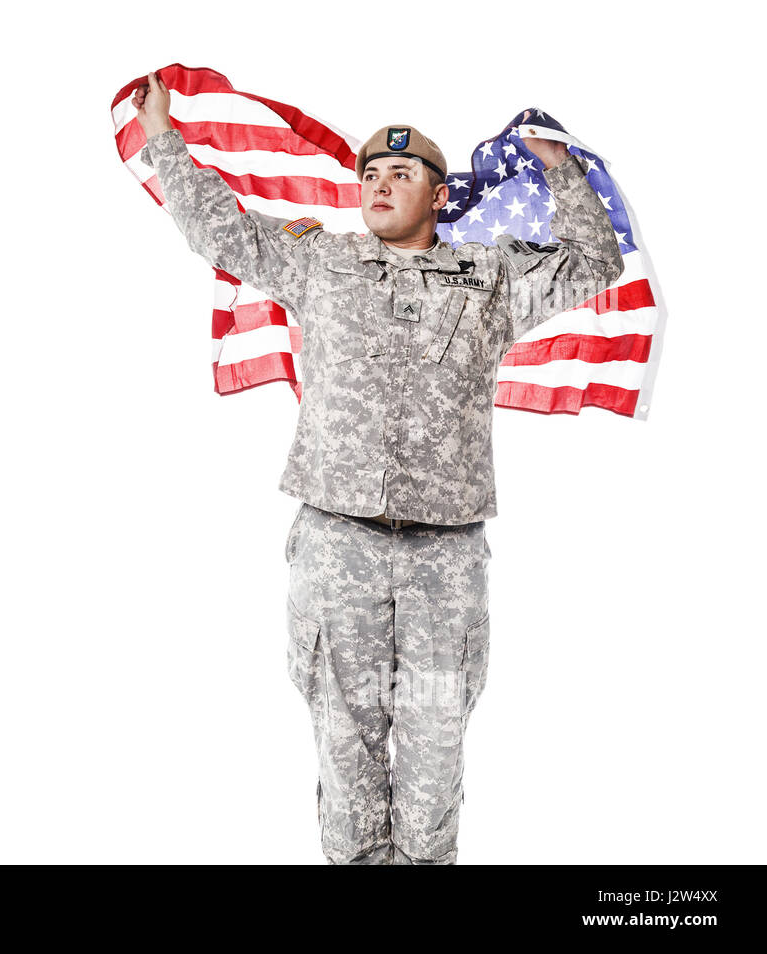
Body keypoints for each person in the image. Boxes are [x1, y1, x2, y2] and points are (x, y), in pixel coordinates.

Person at [131, 70, 622, 864]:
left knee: (433, 768)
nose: (381, 184)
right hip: (339, 549)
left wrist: (558, 168)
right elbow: (220, 230)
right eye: (370, 175)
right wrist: (163, 135)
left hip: (445, 560)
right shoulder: (318, 265)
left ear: (438, 197)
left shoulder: (491, 279)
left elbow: (594, 262)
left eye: (403, 174)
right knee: (347, 756)